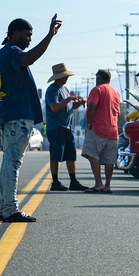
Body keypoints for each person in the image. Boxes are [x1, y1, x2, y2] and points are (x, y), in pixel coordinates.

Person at [0, 14, 62, 222]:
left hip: (11, 115)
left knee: (9, 162)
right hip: (16, 116)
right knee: (12, 162)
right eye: (27, 35)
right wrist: (49, 36)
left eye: (32, 35)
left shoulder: (3, 54)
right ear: (15, 33)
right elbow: (29, 58)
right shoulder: (11, 52)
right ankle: (8, 209)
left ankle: (6, 207)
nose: (29, 39)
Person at [44, 63, 87, 191]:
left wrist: (78, 103)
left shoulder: (65, 89)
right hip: (56, 127)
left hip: (68, 127)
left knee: (71, 155)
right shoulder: (52, 90)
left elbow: (69, 107)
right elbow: (55, 107)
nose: (66, 78)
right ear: (58, 77)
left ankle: (73, 181)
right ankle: (55, 182)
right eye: (64, 76)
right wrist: (69, 99)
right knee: (56, 155)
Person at [82, 69, 121, 194]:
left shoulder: (97, 89)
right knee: (109, 159)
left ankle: (98, 184)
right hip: (112, 130)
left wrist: (88, 121)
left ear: (99, 78)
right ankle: (107, 185)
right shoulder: (115, 92)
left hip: (98, 128)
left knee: (91, 154)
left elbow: (92, 105)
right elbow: (118, 112)